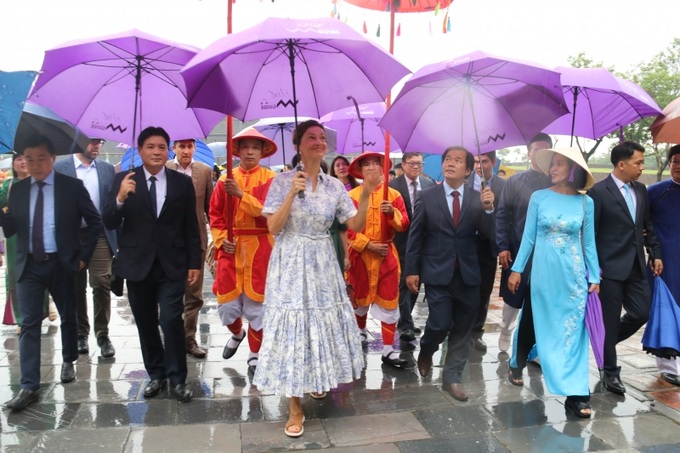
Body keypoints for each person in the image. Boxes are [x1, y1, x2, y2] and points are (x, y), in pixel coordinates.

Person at [252, 120, 379, 438]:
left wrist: (365, 195)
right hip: (291, 260)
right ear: (298, 144)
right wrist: (291, 195)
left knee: (320, 325)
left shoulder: (334, 186)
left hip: (323, 261)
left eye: (323, 137)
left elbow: (356, 225)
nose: (319, 142)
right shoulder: (282, 181)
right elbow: (273, 228)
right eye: (312, 137)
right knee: (295, 328)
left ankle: (317, 379)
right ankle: (294, 405)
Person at [2, 135, 101, 411]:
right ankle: (28, 385)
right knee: (30, 324)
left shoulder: (71, 187)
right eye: (29, 159)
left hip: (63, 262)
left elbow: (94, 222)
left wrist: (83, 257)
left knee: (69, 315)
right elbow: (10, 229)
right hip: (30, 265)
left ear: (53, 158)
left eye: (41, 158)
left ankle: (68, 359)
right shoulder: (18, 190)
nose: (35, 164)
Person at [103, 126, 201, 403]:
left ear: (167, 150)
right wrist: (120, 198)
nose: (157, 152)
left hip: (172, 263)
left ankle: (178, 378)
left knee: (170, 318)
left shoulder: (181, 183)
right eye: (150, 147)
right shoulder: (124, 179)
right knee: (145, 322)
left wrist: (194, 262)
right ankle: (156, 374)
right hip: (136, 263)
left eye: (161, 147)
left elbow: (190, 226)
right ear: (140, 150)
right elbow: (108, 221)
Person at [507, 148, 599, 418]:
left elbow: (589, 243)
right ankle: (518, 359)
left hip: (573, 277)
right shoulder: (539, 197)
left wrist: (594, 276)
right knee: (535, 321)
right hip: (543, 276)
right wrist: (517, 270)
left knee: (573, 333)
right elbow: (529, 238)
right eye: (552, 164)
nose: (553, 169)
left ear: (573, 169)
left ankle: (577, 396)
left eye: (559, 164)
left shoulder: (586, 203)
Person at [406, 146, 495, 402]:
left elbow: (489, 236)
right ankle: (427, 349)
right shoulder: (427, 196)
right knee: (440, 322)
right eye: (447, 159)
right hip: (437, 272)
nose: (450, 163)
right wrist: (412, 270)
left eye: (458, 161)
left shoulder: (478, 197)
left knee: (463, 329)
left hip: (468, 272)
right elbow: (416, 236)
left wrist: (488, 210)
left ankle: (452, 377)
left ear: (468, 170)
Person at [588, 141, 662, 394]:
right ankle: (610, 371)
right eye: (638, 163)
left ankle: (602, 341)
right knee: (608, 319)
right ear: (621, 164)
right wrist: (592, 268)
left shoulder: (641, 189)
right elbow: (590, 234)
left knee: (642, 312)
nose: (642, 167)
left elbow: (646, 225)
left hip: (636, 265)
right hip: (607, 269)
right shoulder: (597, 192)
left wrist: (655, 253)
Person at [210, 127, 277, 372]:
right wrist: (220, 240)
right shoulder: (224, 179)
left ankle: (255, 353)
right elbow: (215, 214)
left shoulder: (271, 179)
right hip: (231, 247)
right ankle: (237, 333)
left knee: (257, 306)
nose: (250, 152)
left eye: (255, 147)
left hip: (261, 247)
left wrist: (241, 194)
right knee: (227, 305)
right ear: (237, 151)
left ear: (262, 152)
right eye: (245, 147)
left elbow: (271, 213)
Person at [54, 138, 117, 358]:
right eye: (91, 141)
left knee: (101, 283)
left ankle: (103, 334)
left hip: (99, 234)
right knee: (75, 286)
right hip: (72, 237)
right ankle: (81, 333)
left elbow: (111, 206)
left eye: (99, 141)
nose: (96, 146)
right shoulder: (60, 168)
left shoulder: (108, 170)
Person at [346, 150, 410, 368]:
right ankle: (361, 332)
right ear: (361, 170)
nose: (371, 168)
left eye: (376, 163)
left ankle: (388, 350)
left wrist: (392, 213)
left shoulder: (393, 196)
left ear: (383, 168)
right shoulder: (352, 196)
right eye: (367, 164)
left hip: (386, 256)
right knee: (359, 297)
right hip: (360, 256)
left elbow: (404, 225)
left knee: (389, 300)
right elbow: (347, 229)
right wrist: (367, 244)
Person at [495, 133, 553, 353]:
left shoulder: (558, 183)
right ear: (529, 154)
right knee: (513, 299)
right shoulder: (515, 182)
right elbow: (502, 216)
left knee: (541, 300)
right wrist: (502, 246)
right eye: (536, 150)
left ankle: (532, 344)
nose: (540, 155)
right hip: (518, 250)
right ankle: (505, 330)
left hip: (547, 252)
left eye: (545, 150)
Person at [166, 138, 213, 359]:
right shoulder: (163, 169)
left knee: (194, 294)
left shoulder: (204, 171)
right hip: (168, 242)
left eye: (190, 146)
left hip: (196, 240)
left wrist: (217, 238)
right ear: (173, 148)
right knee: (169, 294)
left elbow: (210, 209)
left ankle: (189, 338)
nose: (186, 150)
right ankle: (170, 338)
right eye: (181, 146)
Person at [1, 153, 51, 332]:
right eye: (19, 159)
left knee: (42, 270)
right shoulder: (8, 186)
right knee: (16, 276)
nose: (23, 162)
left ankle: (44, 309)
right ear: (13, 165)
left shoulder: (40, 183)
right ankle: (21, 317)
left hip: (38, 234)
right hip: (14, 239)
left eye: (26, 158)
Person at [389, 152, 435, 342]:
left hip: (425, 241)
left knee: (418, 280)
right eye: (412, 163)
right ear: (404, 165)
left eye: (419, 163)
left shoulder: (428, 184)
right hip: (401, 240)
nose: (416, 167)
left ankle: (405, 318)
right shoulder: (393, 187)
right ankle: (406, 323)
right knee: (403, 282)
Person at [648, 145, 680, 385]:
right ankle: (667, 364)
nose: (679, 166)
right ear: (669, 164)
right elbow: (642, 224)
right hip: (664, 261)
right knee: (664, 309)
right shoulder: (656, 192)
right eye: (675, 161)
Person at [469, 151, 506, 351]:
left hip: (488, 245)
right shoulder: (463, 183)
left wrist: (489, 207)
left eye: (484, 162)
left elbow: (505, 219)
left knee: (484, 292)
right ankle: (459, 328)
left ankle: (476, 331)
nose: (479, 166)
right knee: (463, 289)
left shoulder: (502, 186)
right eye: (476, 162)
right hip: (465, 245)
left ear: (493, 162)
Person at [328, 156, 358, 272]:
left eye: (345, 164)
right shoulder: (329, 189)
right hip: (341, 237)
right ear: (333, 170)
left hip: (357, 236)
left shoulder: (359, 188)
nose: (342, 167)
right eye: (338, 165)